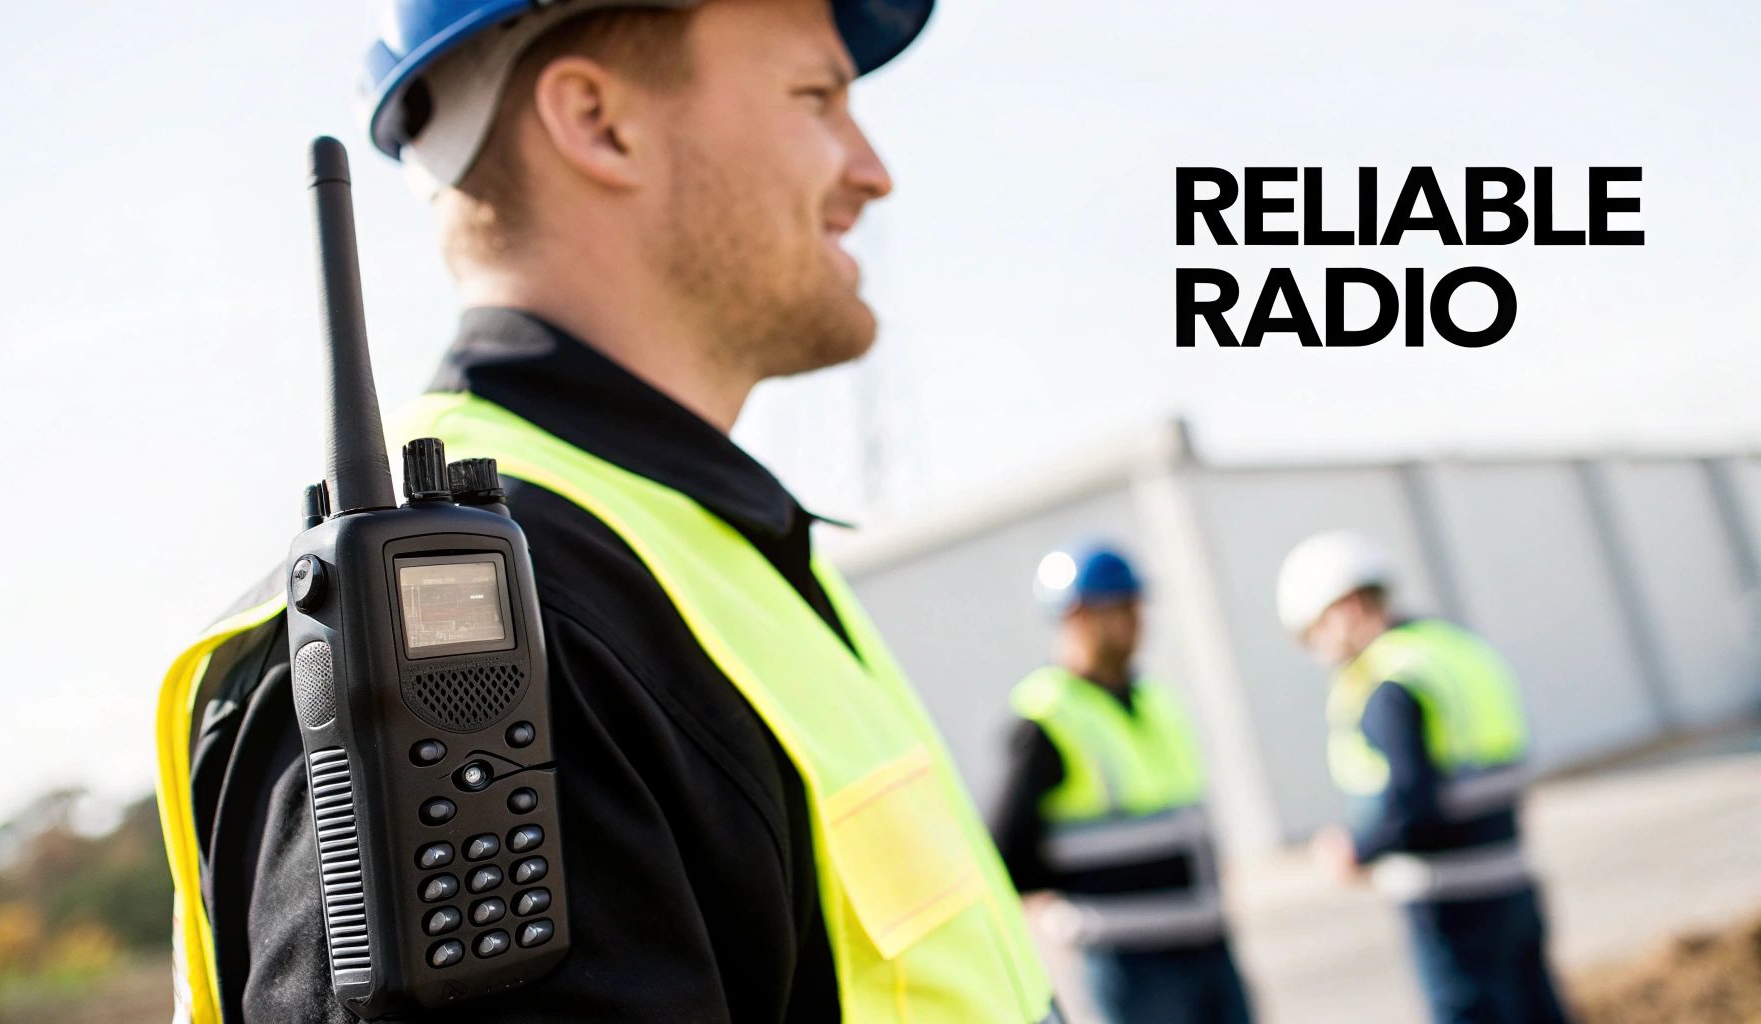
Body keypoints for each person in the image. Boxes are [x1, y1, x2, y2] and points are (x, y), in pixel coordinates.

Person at [153, 1, 1060, 1021]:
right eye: (817, 98)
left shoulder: (692, 548)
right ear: (597, 121)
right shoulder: (482, 613)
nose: (871, 169)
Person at [1275, 529, 1568, 1024]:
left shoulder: (1387, 678)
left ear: (1344, 607)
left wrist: (1356, 850)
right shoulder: (1456, 650)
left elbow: (1412, 799)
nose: (1320, 650)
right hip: (1511, 877)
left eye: (1315, 632)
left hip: (1448, 902)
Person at [991, 543, 1254, 1024]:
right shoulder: (1047, 715)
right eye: (1118, 607)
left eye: (1135, 605)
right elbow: (1007, 850)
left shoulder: (1157, 700)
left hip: (1206, 941)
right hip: (1131, 957)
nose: (1135, 620)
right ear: (1075, 618)